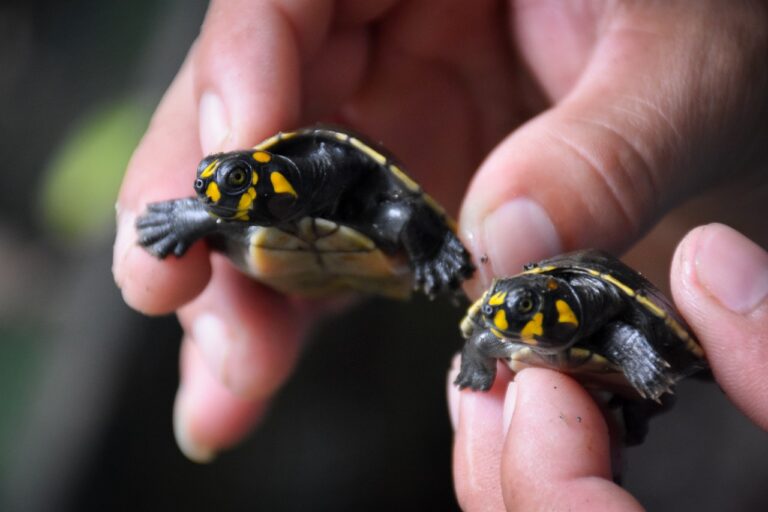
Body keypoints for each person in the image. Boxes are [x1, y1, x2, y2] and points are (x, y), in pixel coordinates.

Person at [112, 1, 768, 509]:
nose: (217, 194)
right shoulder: (246, 199)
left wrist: (436, 252)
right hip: (304, 270)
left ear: (271, 172)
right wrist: (191, 213)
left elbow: (399, 209)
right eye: (213, 190)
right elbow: (484, 333)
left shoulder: (331, 168)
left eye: (233, 183)